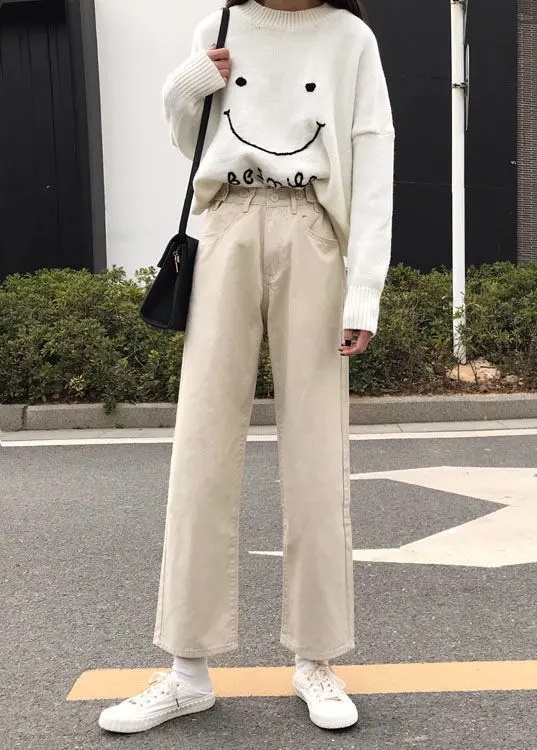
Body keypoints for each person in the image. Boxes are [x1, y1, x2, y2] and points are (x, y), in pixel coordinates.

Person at [98, 0, 393, 734]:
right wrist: (183, 87)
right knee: (200, 446)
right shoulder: (219, 27)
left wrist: (365, 288)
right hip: (226, 223)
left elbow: (373, 160)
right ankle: (186, 670)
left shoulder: (350, 37)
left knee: (318, 453)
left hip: (314, 231)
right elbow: (189, 141)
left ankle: (316, 659)